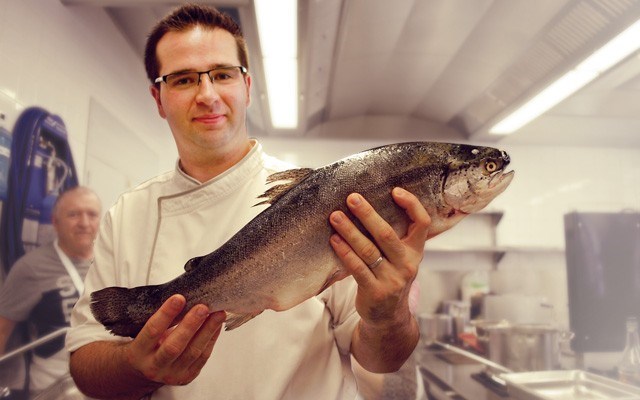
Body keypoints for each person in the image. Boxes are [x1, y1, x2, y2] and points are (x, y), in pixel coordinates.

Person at [67, 4, 431, 400]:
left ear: (247, 86)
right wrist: (135, 368)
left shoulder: (327, 199)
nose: (207, 95)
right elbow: (86, 362)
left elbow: (381, 359)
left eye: (222, 75)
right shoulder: (128, 215)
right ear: (158, 98)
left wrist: (389, 314)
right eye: (184, 79)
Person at [0, 186, 101, 397]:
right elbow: (2, 331)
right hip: (53, 388)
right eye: (73, 214)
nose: (84, 223)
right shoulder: (31, 268)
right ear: (55, 222)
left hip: (104, 380)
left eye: (91, 214)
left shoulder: (109, 262)